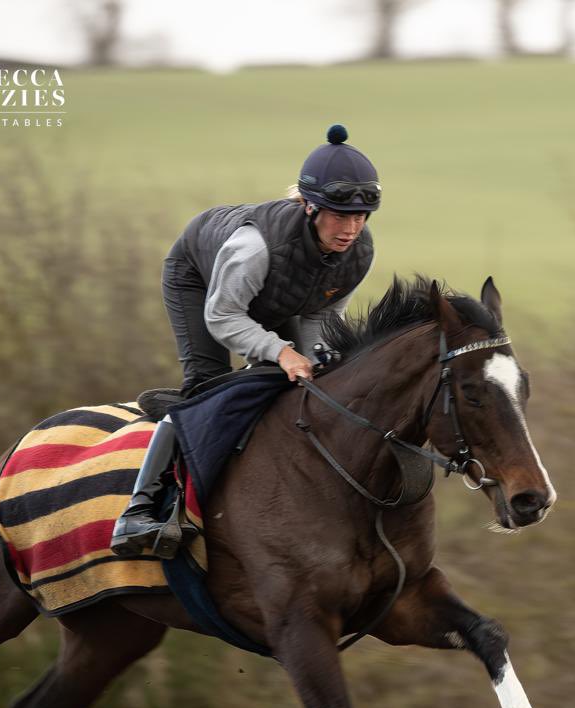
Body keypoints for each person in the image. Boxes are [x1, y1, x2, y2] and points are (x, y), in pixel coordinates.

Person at [110, 124, 381, 558]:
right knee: (209, 387)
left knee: (310, 376)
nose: (350, 229)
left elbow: (321, 314)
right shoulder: (253, 248)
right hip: (202, 282)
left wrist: (313, 360)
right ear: (310, 207)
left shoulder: (359, 252)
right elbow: (223, 316)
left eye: (360, 216)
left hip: (278, 294)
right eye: (339, 215)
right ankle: (139, 512)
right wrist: (280, 350)